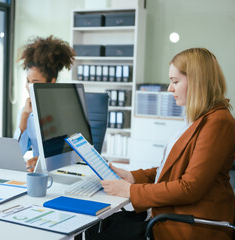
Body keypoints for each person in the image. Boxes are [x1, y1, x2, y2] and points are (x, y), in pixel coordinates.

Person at [86, 48, 235, 240]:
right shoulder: (198, 118)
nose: (169, 89)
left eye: (175, 81)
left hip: (186, 223)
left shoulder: (218, 122)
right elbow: (175, 168)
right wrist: (132, 176)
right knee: (97, 226)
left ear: (198, 82)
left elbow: (189, 187)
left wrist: (131, 191)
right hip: (168, 213)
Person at [13, 35, 75, 172]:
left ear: (51, 82)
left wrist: (46, 161)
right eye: (28, 81)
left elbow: (75, 155)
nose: (28, 86)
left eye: (35, 82)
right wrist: (24, 117)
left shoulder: (67, 109)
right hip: (38, 174)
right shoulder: (27, 111)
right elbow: (17, 154)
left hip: (64, 172)